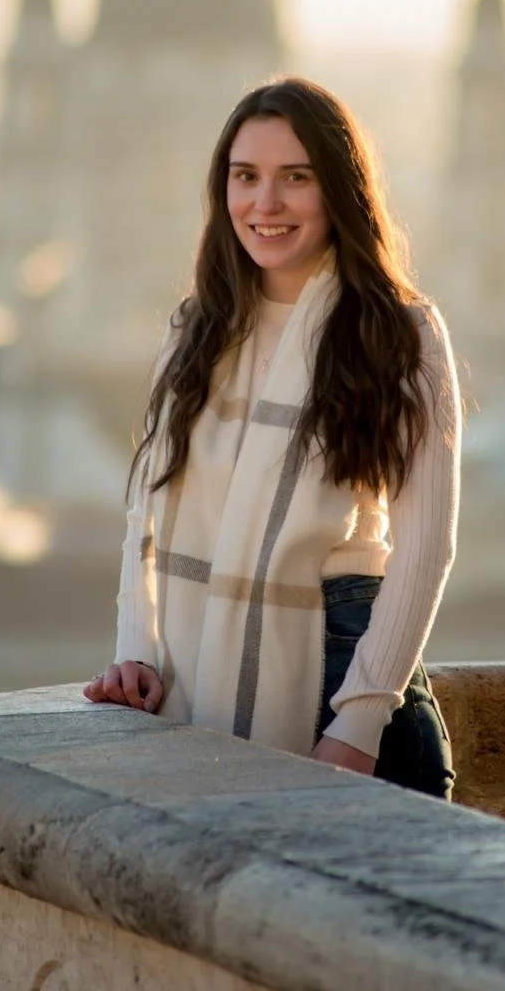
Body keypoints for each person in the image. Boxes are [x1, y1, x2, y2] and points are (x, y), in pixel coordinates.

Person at [84, 77, 460, 798]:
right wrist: (136, 651)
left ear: (340, 191)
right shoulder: (198, 330)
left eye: (296, 178)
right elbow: (149, 515)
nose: (266, 203)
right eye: (245, 177)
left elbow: (425, 546)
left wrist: (357, 723)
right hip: (195, 672)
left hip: (345, 671)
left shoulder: (401, 334)